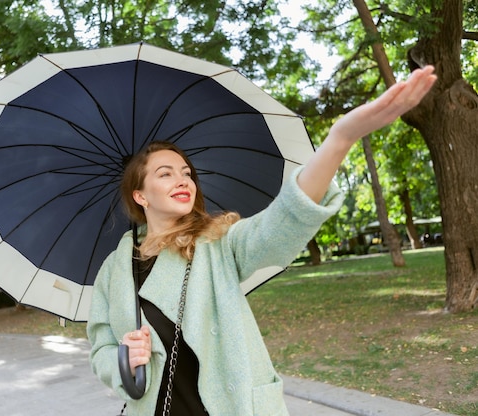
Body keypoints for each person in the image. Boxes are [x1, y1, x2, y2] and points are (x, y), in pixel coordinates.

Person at [87, 66, 437, 416]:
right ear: (140, 196)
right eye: (165, 174)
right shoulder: (114, 270)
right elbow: (100, 347)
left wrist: (340, 139)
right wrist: (123, 357)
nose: (183, 181)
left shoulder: (217, 242)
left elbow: (281, 222)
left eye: (187, 173)